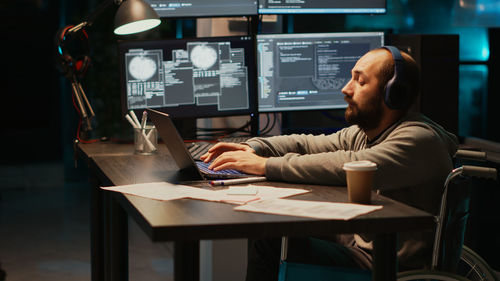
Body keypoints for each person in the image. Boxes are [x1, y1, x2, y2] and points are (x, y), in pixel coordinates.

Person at [201, 47, 459, 280]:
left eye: (360, 81)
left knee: (270, 240)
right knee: (270, 226)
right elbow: (307, 144)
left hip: (389, 264)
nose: (346, 89)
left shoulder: (419, 139)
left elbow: (350, 163)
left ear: (394, 94)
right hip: (367, 242)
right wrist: (253, 147)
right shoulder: (366, 133)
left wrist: (263, 165)